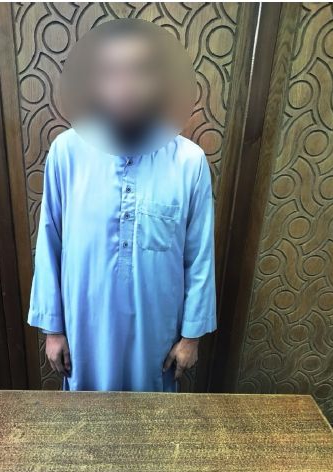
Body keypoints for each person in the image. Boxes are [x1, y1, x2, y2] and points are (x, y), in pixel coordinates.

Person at [28, 19, 216, 391]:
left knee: (153, 421)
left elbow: (199, 256)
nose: (126, 86)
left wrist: (191, 338)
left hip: (156, 342)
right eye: (113, 72)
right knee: (85, 420)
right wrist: (53, 330)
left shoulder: (189, 162)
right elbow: (49, 243)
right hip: (85, 337)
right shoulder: (67, 153)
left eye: (139, 72)